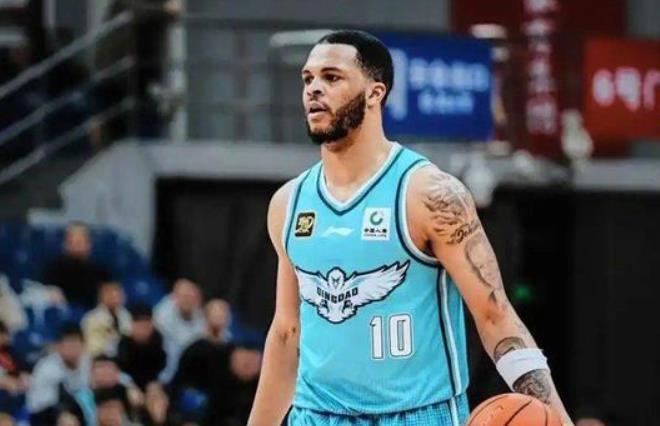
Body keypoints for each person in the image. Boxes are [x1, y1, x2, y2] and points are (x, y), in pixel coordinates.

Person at [247, 30, 573, 425]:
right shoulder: (289, 203)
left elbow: (496, 316)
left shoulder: (428, 194)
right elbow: (287, 332)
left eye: (331, 77)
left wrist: (559, 419)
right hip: (317, 415)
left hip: (415, 414)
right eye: (308, 79)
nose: (314, 89)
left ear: (375, 93)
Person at [27, 323, 91, 425]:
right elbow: (40, 406)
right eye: (67, 345)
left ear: (83, 345)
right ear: (58, 347)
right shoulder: (46, 368)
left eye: (75, 344)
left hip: (82, 412)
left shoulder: (88, 363)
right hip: (47, 416)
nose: (71, 349)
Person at [42, 223, 112, 309]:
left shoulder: (101, 271)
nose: (76, 246)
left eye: (80, 241)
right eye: (72, 241)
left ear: (88, 244)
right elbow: (46, 292)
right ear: (66, 244)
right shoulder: (54, 269)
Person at [153, 278, 205, 383]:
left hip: (188, 371)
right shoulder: (162, 312)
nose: (188, 300)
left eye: (192, 297)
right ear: (174, 296)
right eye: (184, 296)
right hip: (162, 368)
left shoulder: (201, 317)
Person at [116, 305, 166, 391]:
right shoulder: (123, 343)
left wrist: (157, 383)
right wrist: (130, 386)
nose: (142, 329)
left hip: (155, 385)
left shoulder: (160, 341)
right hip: (128, 385)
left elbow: (166, 368)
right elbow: (118, 371)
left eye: (146, 325)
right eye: (139, 324)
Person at [81, 281, 132, 357]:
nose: (114, 297)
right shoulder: (91, 318)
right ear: (101, 296)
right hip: (100, 358)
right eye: (109, 293)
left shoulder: (127, 315)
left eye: (117, 293)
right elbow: (91, 347)